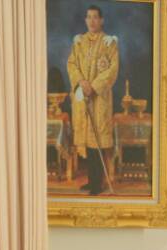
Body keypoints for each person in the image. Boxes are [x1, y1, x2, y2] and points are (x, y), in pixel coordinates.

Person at [67, 5, 118, 195]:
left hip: (99, 99)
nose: (92, 21)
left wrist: (93, 86)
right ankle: (91, 180)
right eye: (88, 17)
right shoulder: (78, 42)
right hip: (82, 96)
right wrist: (81, 82)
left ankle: (99, 183)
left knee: (97, 141)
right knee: (87, 142)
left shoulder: (109, 43)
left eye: (95, 17)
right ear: (85, 20)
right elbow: (71, 63)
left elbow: (112, 70)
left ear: (101, 20)